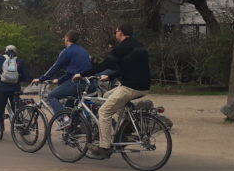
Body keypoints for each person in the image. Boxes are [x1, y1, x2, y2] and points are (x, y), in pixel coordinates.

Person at [75, 23, 151, 159]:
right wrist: (110, 76)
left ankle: (104, 147)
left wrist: (82, 74)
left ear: (120, 33)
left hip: (130, 87)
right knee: (107, 95)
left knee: (103, 111)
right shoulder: (139, 45)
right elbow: (128, 67)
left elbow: (103, 65)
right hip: (144, 86)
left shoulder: (121, 48)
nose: (115, 34)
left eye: (115, 32)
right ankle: (122, 125)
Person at [31, 30, 93, 117]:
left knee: (52, 96)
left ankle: (64, 120)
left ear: (67, 39)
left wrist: (41, 78)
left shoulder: (67, 51)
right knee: (69, 106)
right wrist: (60, 80)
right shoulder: (84, 51)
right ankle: (73, 127)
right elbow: (74, 71)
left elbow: (56, 66)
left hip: (76, 83)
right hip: (88, 83)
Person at [0, 45, 29, 141]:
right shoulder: (20, 61)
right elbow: (26, 76)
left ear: (5, 51)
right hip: (15, 89)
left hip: (2, 89)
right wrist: (17, 79)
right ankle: (21, 127)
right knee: (17, 110)